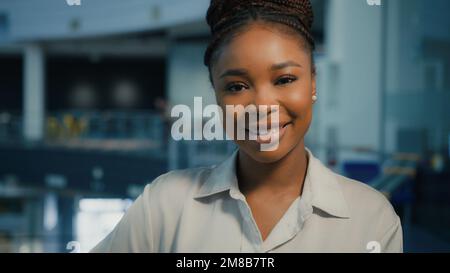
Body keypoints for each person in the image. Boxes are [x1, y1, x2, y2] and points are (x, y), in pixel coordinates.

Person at [91, 0, 402, 253]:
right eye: (237, 87)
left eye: (284, 80)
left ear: (313, 83)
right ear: (216, 94)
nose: (262, 106)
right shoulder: (163, 206)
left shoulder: (371, 220)